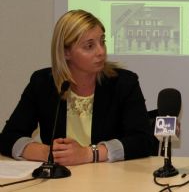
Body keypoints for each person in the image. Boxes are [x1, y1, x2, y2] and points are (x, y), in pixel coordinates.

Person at [0, 10, 157, 165]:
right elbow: (8, 137)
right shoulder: (42, 83)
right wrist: (49, 153)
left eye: (102, 41)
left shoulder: (123, 83)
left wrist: (89, 153)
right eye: (89, 46)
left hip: (109, 176)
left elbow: (144, 141)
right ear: (66, 52)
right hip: (60, 177)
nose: (101, 51)